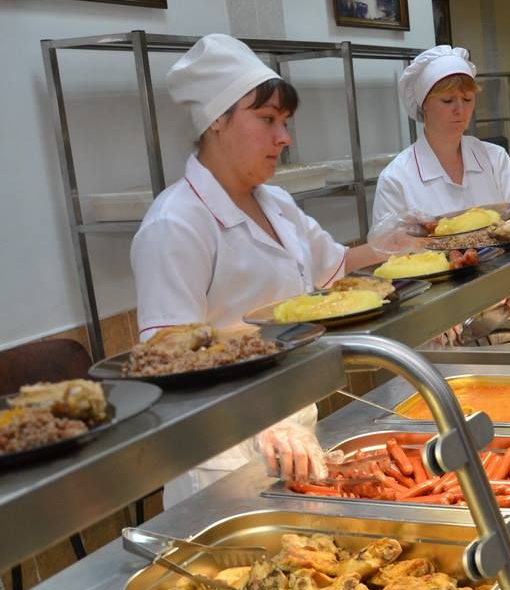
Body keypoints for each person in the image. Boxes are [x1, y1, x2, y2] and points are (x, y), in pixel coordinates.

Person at [131, 34, 418, 506]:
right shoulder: (176, 223)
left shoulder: (277, 203)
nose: (283, 138)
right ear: (216, 122)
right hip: (221, 461)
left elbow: (334, 270)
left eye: (284, 122)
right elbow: (167, 361)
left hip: (294, 434)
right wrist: (260, 418)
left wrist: (386, 247)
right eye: (267, 120)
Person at [374, 45, 510, 225]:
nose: (460, 110)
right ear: (423, 104)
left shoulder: (495, 159)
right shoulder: (396, 179)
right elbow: (389, 248)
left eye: (467, 99)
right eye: (448, 100)